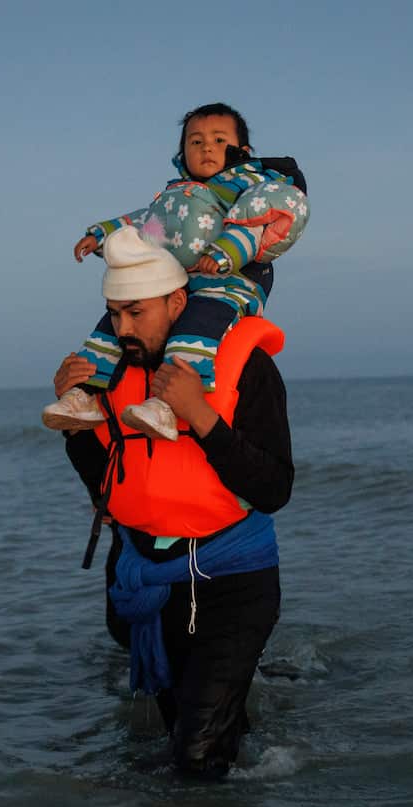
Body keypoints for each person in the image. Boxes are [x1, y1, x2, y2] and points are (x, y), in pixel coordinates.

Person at [54, 226, 294, 778]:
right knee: (185, 733)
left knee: (194, 760)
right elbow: (109, 490)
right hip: (147, 580)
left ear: (178, 301)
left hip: (231, 582)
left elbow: (274, 489)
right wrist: (74, 422)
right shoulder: (110, 373)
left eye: (136, 313)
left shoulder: (244, 365)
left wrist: (199, 414)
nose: (123, 329)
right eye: (114, 315)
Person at [42, 102, 307, 442]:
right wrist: (102, 235)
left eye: (218, 140)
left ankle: (166, 406)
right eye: (195, 142)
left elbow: (268, 220)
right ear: (182, 154)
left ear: (243, 151)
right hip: (180, 283)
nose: (206, 147)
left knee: (196, 325)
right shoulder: (174, 199)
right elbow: (144, 224)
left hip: (229, 285)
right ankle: (83, 395)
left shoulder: (252, 187)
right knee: (118, 317)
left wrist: (227, 251)